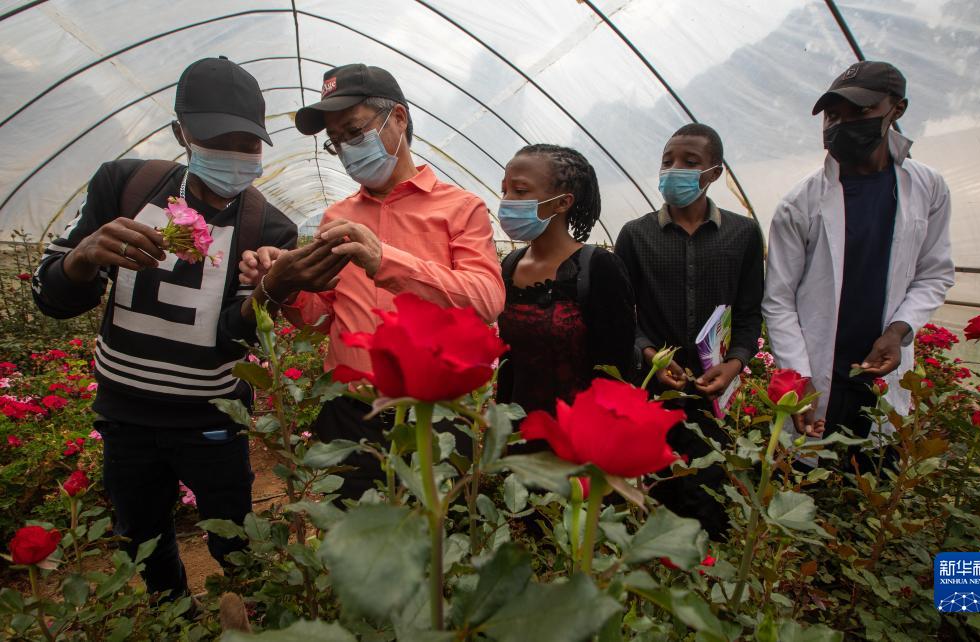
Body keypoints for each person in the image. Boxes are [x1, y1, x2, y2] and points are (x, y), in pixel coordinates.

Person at [30, 57, 313, 597]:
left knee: (233, 537)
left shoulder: (269, 226)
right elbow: (52, 298)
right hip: (125, 417)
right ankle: (173, 615)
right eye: (217, 138)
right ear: (181, 132)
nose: (234, 155)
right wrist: (84, 257)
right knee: (143, 538)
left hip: (211, 420)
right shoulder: (125, 185)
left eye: (247, 144)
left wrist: (271, 290)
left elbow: (238, 338)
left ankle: (247, 613)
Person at [240, 64, 504, 501]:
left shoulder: (461, 209)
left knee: (434, 540)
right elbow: (324, 315)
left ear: (397, 118)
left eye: (354, 130)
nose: (346, 149)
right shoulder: (337, 217)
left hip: (433, 410)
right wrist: (286, 283)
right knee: (354, 532)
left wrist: (386, 260)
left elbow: (486, 298)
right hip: (350, 411)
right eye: (336, 141)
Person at [762, 61, 954, 473]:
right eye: (833, 115)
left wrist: (898, 331)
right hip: (821, 371)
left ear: (895, 110)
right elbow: (778, 300)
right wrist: (799, 378)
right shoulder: (801, 202)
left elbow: (934, 272)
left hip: (882, 366)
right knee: (808, 488)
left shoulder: (927, 187)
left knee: (876, 481)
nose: (842, 124)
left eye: (860, 112)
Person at [615, 123, 764, 540]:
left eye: (689, 162)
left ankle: (705, 570)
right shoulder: (636, 235)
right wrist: (648, 355)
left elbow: (750, 313)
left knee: (707, 489)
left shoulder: (743, 234)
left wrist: (734, 363)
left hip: (710, 389)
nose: (674, 170)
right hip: (652, 387)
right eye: (668, 162)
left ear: (714, 172)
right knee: (654, 488)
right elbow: (624, 315)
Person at [495, 144, 634, 423]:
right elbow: (509, 363)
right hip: (519, 436)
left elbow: (616, 371)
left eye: (520, 191)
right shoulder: (510, 265)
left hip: (577, 437)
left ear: (563, 202)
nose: (507, 200)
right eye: (505, 190)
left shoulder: (598, 268)